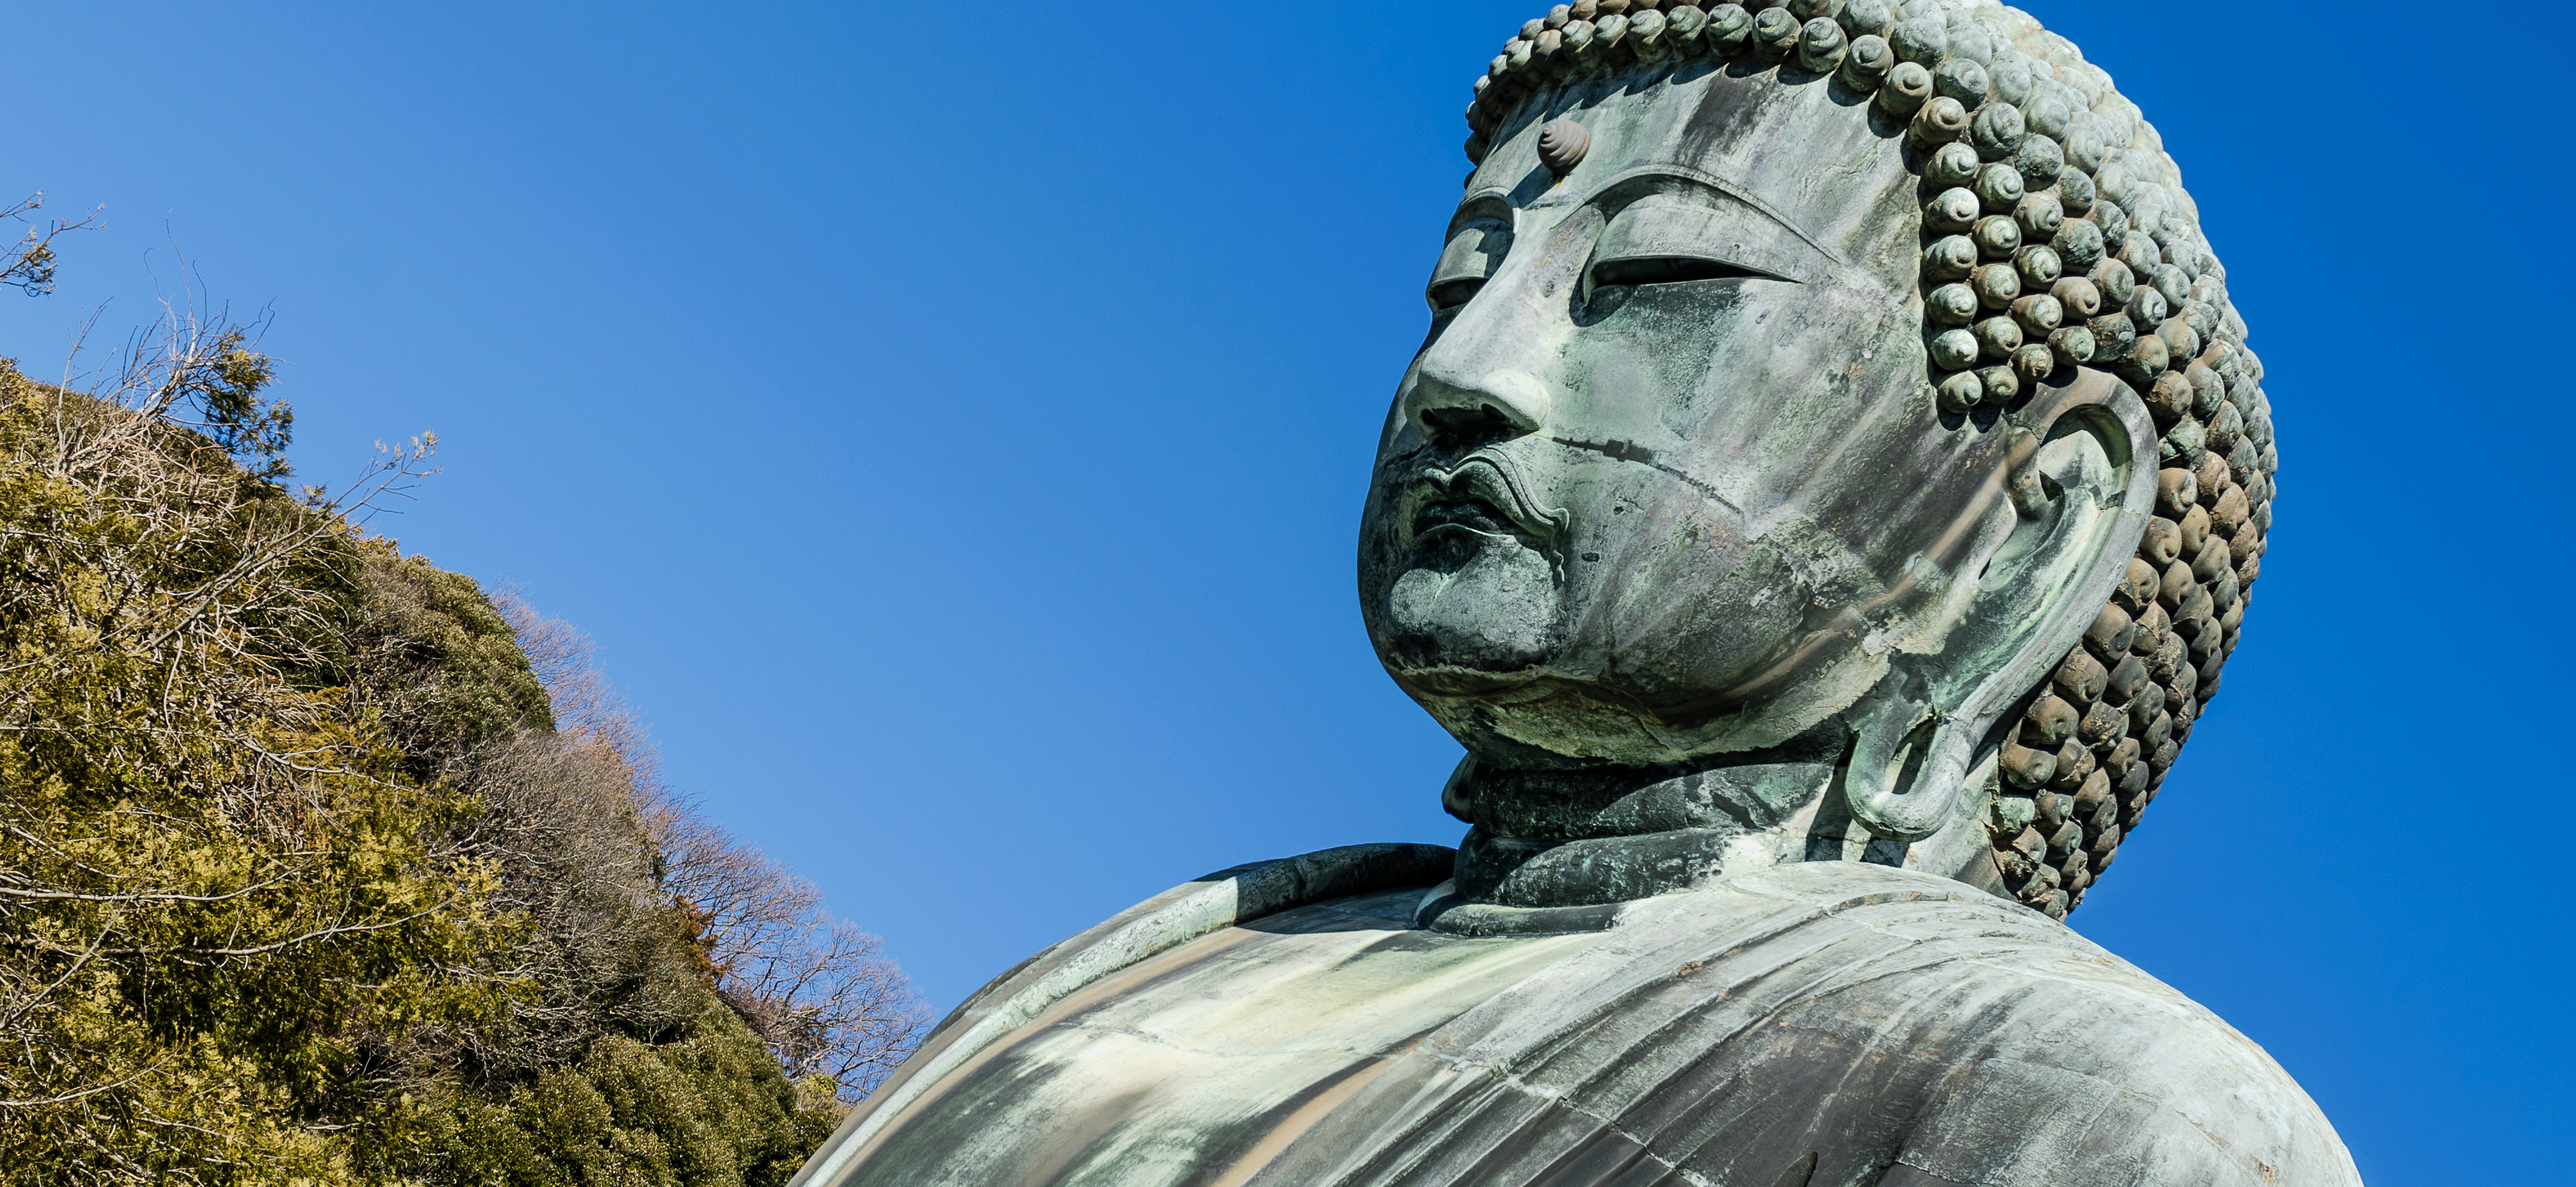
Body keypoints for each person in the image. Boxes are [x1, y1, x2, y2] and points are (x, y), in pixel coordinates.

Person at [787, 2, 2339, 1184]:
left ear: (2029, 531)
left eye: (1661, 280)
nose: (1465, 375)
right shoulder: (1186, 940)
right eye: (1458, 290)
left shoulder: (2087, 1110)